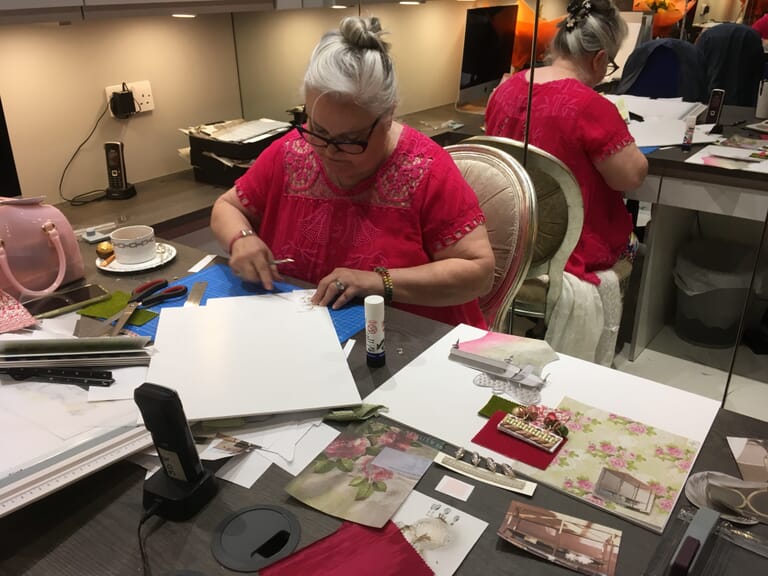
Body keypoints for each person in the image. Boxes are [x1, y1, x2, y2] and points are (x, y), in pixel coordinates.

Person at [211, 16, 495, 328]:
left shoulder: (425, 169)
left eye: (350, 140)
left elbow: (478, 273)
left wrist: (378, 282)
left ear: (388, 116)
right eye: (318, 130)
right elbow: (228, 206)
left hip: (404, 341)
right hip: (303, 330)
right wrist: (242, 238)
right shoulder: (292, 152)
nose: (330, 152)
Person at [485, 0, 648, 287]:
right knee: (639, 247)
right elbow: (632, 177)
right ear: (598, 59)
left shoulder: (504, 90)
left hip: (504, 240)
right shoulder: (591, 107)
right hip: (567, 251)